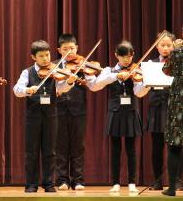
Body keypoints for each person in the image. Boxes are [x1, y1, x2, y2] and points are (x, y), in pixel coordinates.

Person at [13, 40, 77, 193]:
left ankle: (48, 183)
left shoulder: (55, 71)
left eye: (47, 55)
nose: (45, 59)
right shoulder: (27, 72)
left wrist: (69, 81)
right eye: (41, 56)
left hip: (51, 116)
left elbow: (61, 87)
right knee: (31, 152)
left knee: (50, 151)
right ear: (33, 57)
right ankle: (31, 184)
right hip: (33, 117)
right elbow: (17, 89)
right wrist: (28, 90)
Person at [90, 40, 149, 192]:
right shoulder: (109, 71)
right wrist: (116, 76)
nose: (126, 60)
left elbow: (139, 93)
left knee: (131, 149)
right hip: (114, 112)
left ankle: (131, 183)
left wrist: (146, 84)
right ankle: (115, 182)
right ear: (116, 55)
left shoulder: (136, 71)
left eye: (129, 56)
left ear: (133, 55)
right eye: (122, 56)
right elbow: (96, 86)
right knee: (115, 149)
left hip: (130, 112)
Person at [55, 34, 97, 191]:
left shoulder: (83, 65)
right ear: (59, 50)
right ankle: (62, 180)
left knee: (78, 147)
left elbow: (93, 84)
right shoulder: (54, 66)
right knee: (61, 147)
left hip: (78, 110)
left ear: (77, 48)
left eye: (72, 48)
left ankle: (78, 180)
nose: (69, 51)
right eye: (65, 49)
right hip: (58, 111)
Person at [144, 31, 175, 190]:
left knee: (175, 147)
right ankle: (157, 181)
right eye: (162, 45)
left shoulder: (178, 62)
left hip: (174, 109)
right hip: (156, 108)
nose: (165, 48)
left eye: (168, 45)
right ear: (156, 47)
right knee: (157, 147)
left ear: (173, 46)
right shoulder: (151, 63)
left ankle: (176, 181)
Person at [161, 38, 183, 196]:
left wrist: (176, 48)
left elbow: (165, 70)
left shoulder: (177, 53)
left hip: (178, 103)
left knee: (174, 146)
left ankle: (172, 188)